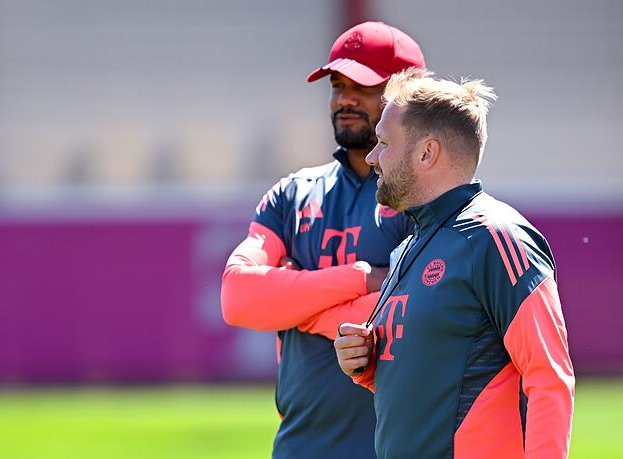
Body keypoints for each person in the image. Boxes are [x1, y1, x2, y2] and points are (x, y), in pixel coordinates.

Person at [334, 68, 575, 458]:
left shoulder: (496, 238)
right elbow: (441, 375)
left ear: (427, 153)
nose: (373, 157)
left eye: (383, 143)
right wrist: (365, 363)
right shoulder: (412, 244)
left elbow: (549, 376)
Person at [220, 22, 425, 458]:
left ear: (408, 97)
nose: (344, 99)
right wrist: (363, 279)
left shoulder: (427, 198)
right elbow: (237, 297)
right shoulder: (291, 195)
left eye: (363, 87)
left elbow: (426, 313)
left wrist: (296, 306)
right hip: (299, 447)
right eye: (337, 85)